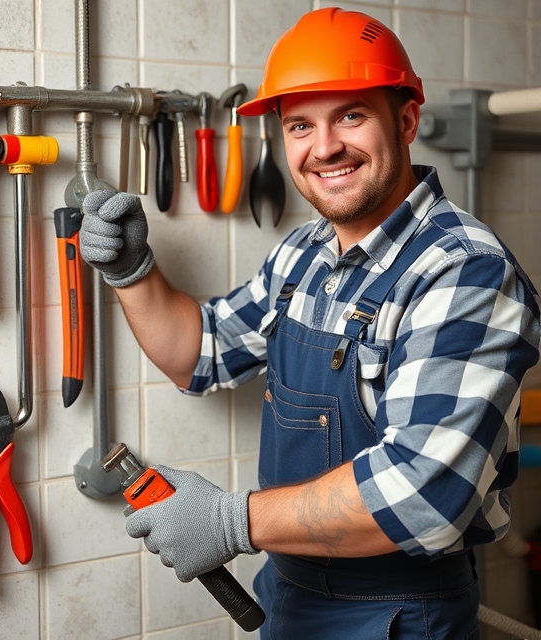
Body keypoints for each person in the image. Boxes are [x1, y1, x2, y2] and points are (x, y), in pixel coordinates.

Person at [79, 7, 541, 639]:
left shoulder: (464, 272)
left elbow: (423, 494)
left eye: (351, 115)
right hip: (288, 597)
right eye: (300, 125)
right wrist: (134, 274)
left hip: (398, 615)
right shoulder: (303, 252)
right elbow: (201, 351)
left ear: (405, 120)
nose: (324, 148)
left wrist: (229, 520)